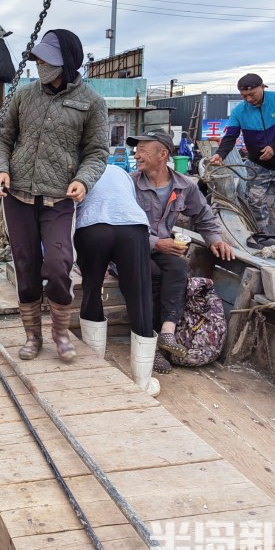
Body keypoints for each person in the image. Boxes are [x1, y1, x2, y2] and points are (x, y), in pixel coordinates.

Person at [0, 29, 109, 363]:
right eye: (38, 58)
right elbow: (2, 137)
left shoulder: (92, 103)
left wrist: (84, 180)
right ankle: (32, 335)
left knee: (58, 265)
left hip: (58, 199)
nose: (40, 65)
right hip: (18, 194)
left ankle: (59, 332)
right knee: (25, 266)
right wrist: (0, 170)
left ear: (67, 62)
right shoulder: (24, 95)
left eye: (48, 60)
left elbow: (97, 152)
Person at [129, 130, 235, 373]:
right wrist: (156, 243)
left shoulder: (184, 186)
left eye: (143, 150)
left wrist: (215, 240)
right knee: (152, 274)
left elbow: (203, 216)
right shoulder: (130, 183)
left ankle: (167, 332)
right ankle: (150, 347)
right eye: (137, 150)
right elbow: (122, 226)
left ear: (162, 154)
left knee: (177, 266)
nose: (136, 155)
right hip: (132, 249)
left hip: (163, 249)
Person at [74, 165, 160, 396]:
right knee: (139, 296)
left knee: (92, 291)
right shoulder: (121, 172)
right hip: (132, 228)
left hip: (92, 228)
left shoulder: (80, 170)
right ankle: (142, 381)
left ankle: (95, 370)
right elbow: (127, 201)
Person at [210, 73, 275, 237]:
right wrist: (220, 154)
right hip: (258, 164)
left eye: (252, 94)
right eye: (244, 96)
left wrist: (274, 147)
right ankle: (263, 234)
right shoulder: (239, 111)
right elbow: (231, 135)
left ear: (262, 87)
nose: (249, 99)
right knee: (255, 201)